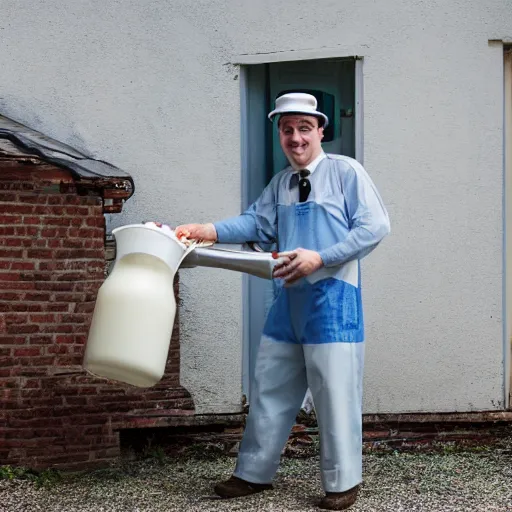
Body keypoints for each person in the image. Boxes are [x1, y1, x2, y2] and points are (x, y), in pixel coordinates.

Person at [174, 92, 390, 510]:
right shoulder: (281, 183)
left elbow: (375, 226)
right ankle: (252, 474)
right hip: (287, 302)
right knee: (269, 387)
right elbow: (256, 222)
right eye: (287, 129)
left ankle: (342, 482)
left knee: (334, 391)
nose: (295, 138)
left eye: (304, 129)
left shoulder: (346, 173)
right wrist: (206, 229)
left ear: (321, 130)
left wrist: (321, 257)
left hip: (333, 302)